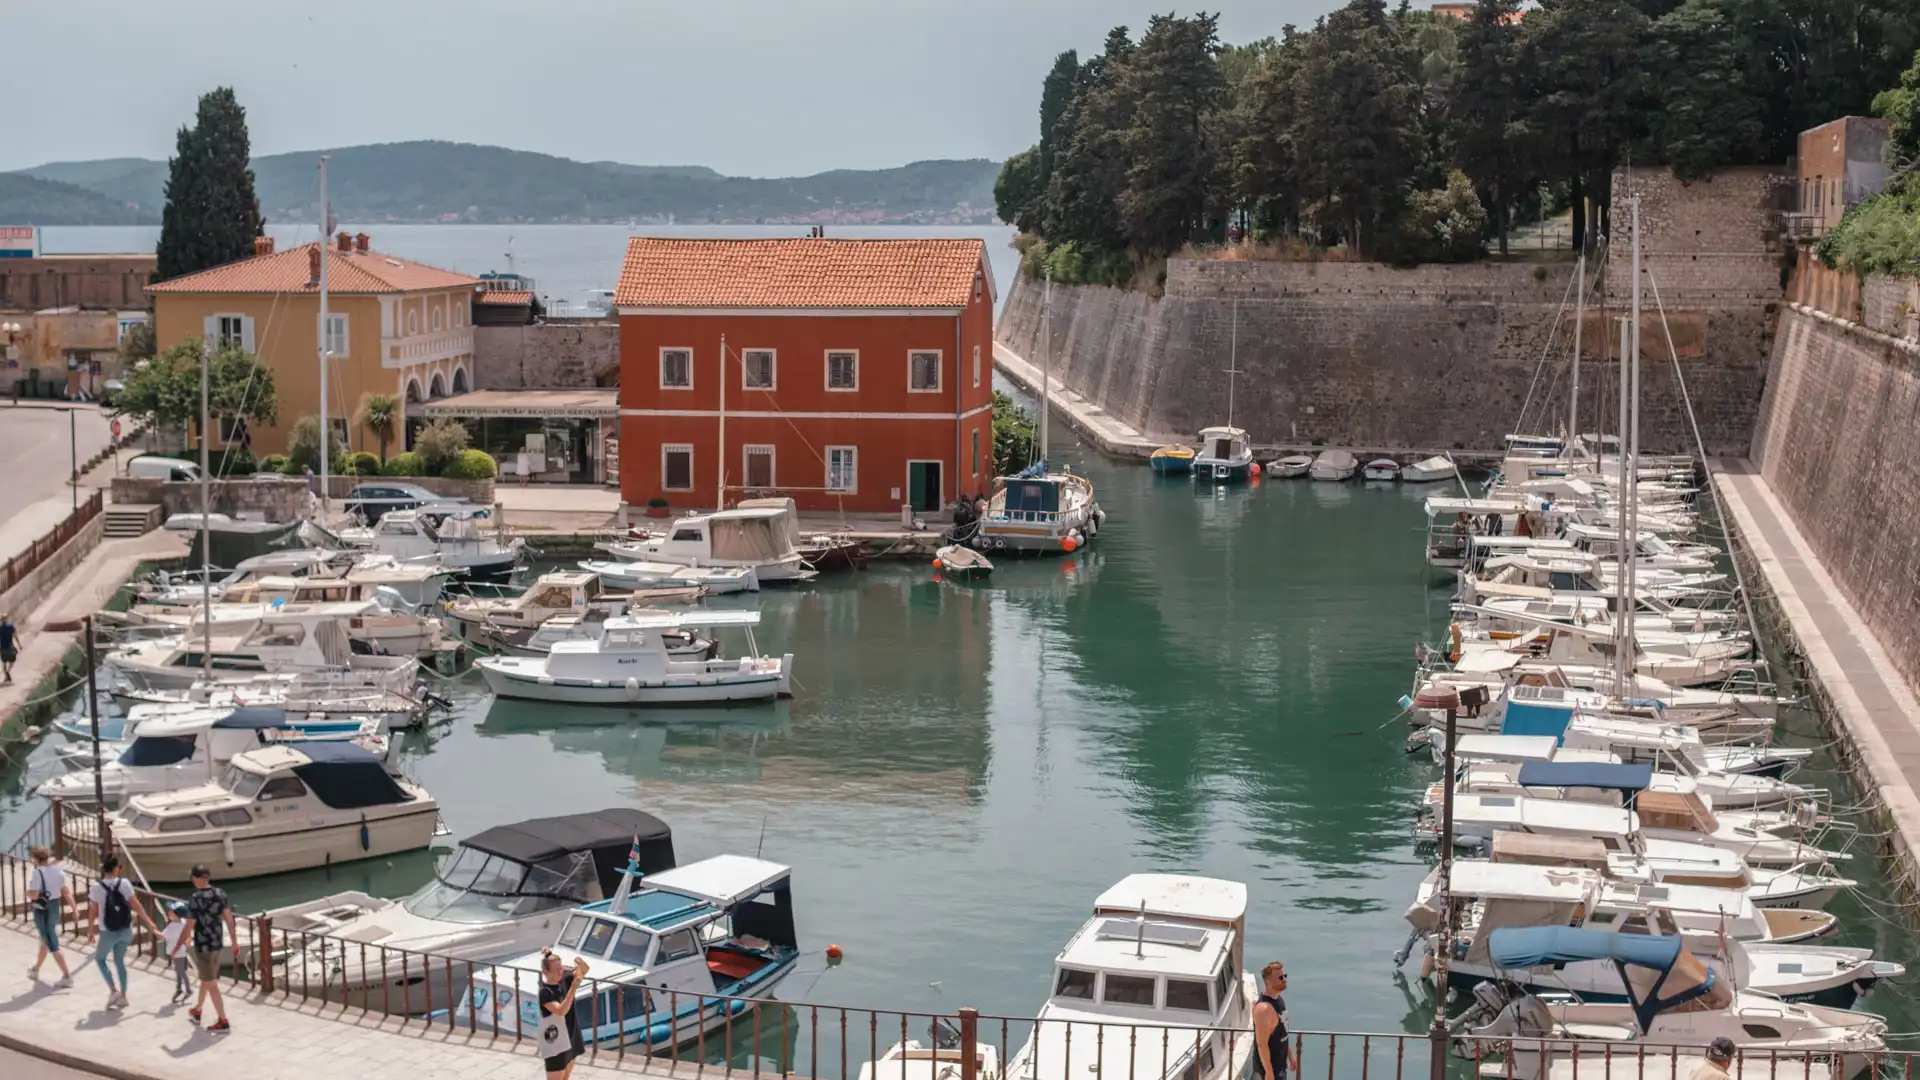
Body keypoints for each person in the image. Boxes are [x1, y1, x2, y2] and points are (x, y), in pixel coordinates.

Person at [87, 854, 160, 1010]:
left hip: (108, 931)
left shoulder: (96, 887)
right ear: (115, 869)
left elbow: (93, 911)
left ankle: (113, 991)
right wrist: (149, 921)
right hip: (126, 930)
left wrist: (90, 930)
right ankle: (124, 997)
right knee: (119, 961)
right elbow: (136, 905)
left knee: (100, 959)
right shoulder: (125, 883)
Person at [184, 864, 238, 1033]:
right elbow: (229, 919)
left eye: (193, 877)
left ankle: (223, 1020)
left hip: (203, 945)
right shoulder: (220, 893)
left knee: (211, 982)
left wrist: (184, 940)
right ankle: (198, 1009)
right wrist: (234, 941)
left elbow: (190, 924)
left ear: (198, 879)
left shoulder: (195, 898)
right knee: (207, 978)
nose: (192, 880)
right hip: (217, 943)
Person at [25, 845, 73, 986]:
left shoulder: (37, 873)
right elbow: (66, 891)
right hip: (54, 906)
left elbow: (34, 894)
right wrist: (74, 908)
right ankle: (35, 969)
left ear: (35, 858)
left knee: (52, 942)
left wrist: (27, 893)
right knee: (44, 939)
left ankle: (66, 976)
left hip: (42, 910)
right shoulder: (58, 871)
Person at [538, 948, 589, 1080]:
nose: (560, 972)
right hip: (556, 1041)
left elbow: (584, 970)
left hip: (571, 1035)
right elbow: (561, 1011)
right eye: (556, 970)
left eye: (561, 968)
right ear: (545, 972)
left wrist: (580, 963)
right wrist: (573, 988)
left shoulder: (564, 977)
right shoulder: (545, 992)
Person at [1253, 960, 1297, 1080]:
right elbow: (1261, 1043)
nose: (1284, 979)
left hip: (1280, 1066)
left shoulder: (1279, 1000)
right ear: (1268, 982)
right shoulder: (1264, 1009)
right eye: (1280, 977)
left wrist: (1290, 1056)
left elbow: (1283, 1032)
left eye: (1285, 976)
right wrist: (1269, 1072)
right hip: (1269, 1070)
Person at [162, 902, 192, 1004]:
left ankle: (188, 990)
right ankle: (179, 988)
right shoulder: (183, 923)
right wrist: (188, 943)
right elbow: (188, 934)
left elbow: (163, 936)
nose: (168, 913)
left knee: (181, 971)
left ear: (175, 915)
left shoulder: (172, 926)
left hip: (177, 952)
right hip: (182, 950)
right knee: (179, 970)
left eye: (170, 912)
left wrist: (154, 930)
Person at [1, 612, 18, 683]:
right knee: (12, 661)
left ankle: (6, 675)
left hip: (2, 647)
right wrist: (19, 644)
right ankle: (7, 672)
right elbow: (15, 636)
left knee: (4, 662)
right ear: (7, 619)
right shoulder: (11, 626)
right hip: (10, 646)